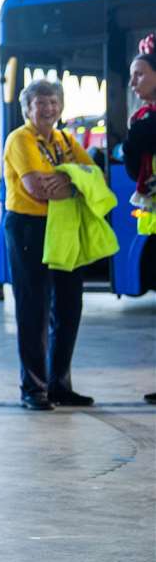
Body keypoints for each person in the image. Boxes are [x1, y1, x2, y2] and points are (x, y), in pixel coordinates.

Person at [2, 78, 97, 411]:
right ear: (28, 108)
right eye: (40, 102)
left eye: (53, 101)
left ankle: (60, 384)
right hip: (29, 227)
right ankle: (34, 387)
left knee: (70, 306)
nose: (48, 108)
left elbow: (93, 173)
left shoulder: (64, 140)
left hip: (63, 225)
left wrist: (71, 180)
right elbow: (37, 188)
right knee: (33, 307)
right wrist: (75, 181)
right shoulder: (20, 139)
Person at [121, 36, 155, 404]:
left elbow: (133, 154)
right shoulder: (144, 118)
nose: (133, 82)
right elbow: (133, 166)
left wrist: (136, 139)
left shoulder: (147, 120)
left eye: (140, 74)